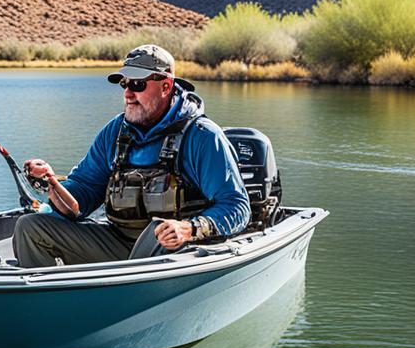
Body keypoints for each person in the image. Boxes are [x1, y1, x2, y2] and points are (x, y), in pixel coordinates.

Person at [14, 44, 251, 268]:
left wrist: (189, 229)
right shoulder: (114, 132)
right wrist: (51, 182)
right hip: (122, 246)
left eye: (138, 84)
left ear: (166, 87)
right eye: (124, 84)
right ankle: (48, 306)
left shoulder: (202, 136)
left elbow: (236, 207)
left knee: (155, 235)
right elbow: (80, 199)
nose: (128, 93)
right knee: (30, 227)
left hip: (180, 254)